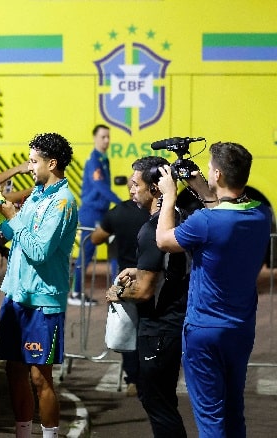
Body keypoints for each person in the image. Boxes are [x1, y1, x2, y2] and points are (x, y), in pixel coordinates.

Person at [156, 142, 271, 437]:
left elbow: (164, 241)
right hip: (240, 329)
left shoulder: (205, 221)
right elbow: (227, 212)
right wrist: (202, 188)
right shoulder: (260, 215)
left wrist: (169, 196)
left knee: (211, 419)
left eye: (209, 169)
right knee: (233, 412)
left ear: (218, 174)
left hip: (204, 330)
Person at [0, 133, 78, 438]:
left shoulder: (63, 201)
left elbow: (40, 251)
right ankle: (23, 433)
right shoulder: (37, 194)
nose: (29, 166)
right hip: (16, 297)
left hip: (43, 302)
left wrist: (12, 218)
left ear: (51, 163)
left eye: (34, 161)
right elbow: (13, 232)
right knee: (13, 371)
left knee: (40, 378)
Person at [104, 156, 189, 437]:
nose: (130, 190)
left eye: (135, 184)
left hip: (160, 329)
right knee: (164, 401)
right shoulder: (177, 218)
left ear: (154, 189)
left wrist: (116, 292)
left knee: (157, 402)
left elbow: (144, 289)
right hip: (173, 325)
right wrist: (138, 270)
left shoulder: (153, 229)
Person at [90, 186, 149, 397]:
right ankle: (150, 378)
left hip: (126, 279)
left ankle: (133, 379)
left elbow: (96, 238)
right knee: (150, 329)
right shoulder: (159, 212)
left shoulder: (118, 213)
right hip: (154, 277)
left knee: (128, 330)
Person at [72, 124, 121, 306]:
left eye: (108, 137)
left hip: (102, 212)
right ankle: (76, 293)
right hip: (91, 213)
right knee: (86, 254)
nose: (106, 140)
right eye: (103, 137)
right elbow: (101, 187)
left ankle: (117, 291)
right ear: (95, 138)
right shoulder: (94, 160)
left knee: (115, 246)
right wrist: (120, 202)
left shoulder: (103, 159)